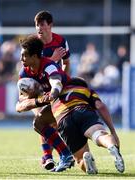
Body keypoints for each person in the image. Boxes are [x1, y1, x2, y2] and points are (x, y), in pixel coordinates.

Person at [17, 76, 125, 174]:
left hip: (63, 120)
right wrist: (113, 132)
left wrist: (20, 105)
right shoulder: (86, 90)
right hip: (82, 111)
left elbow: (33, 104)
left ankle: (86, 162)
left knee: (79, 159)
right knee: (98, 135)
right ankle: (110, 146)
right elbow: (100, 106)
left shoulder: (56, 92)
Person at [33, 10, 96, 172]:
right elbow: (32, 71)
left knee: (50, 121)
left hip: (55, 86)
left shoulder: (61, 41)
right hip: (37, 86)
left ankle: (53, 155)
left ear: (50, 25)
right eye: (36, 25)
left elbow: (66, 62)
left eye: (42, 24)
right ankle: (48, 155)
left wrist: (63, 81)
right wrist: (52, 60)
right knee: (41, 118)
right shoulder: (33, 44)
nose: (39, 28)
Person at [16, 35, 75, 172]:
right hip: (56, 102)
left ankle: (59, 155)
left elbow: (56, 83)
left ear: (34, 56)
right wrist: (36, 101)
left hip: (70, 98)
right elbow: (20, 103)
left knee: (41, 121)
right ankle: (60, 155)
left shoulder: (48, 65)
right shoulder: (24, 73)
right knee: (39, 121)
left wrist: (52, 93)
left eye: (24, 55)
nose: (21, 59)